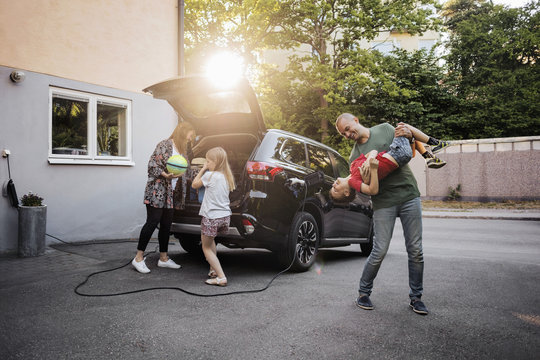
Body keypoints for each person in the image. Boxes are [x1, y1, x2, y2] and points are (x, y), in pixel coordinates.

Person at [335, 113, 431, 315]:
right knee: (379, 250)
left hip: (408, 195)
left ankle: (416, 297)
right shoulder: (354, 157)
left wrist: (408, 134)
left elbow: (405, 150)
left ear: (356, 120)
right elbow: (369, 186)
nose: (347, 134)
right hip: (383, 202)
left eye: (348, 128)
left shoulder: (385, 129)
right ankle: (363, 292)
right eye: (343, 134)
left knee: (415, 250)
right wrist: (372, 167)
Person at [132, 122, 196, 274]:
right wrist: (165, 175)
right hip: (157, 192)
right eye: (190, 135)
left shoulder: (182, 151)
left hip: (170, 194)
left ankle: (164, 258)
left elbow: (185, 171)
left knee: (166, 225)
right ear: (182, 133)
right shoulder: (165, 145)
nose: (190, 139)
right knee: (152, 222)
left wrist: (206, 172)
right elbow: (152, 164)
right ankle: (138, 258)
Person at [330, 123, 449, 201]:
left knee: (407, 134)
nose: (333, 184)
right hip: (398, 155)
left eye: (332, 186)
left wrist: (371, 157)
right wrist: (374, 170)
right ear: (346, 193)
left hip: (395, 152)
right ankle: (434, 144)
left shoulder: (352, 166)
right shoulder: (354, 182)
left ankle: (428, 155)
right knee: (403, 126)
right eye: (335, 189)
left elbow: (373, 151)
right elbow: (373, 190)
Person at [191, 147, 236, 286]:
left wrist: (203, 169)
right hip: (224, 216)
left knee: (205, 247)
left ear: (216, 162)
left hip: (211, 217)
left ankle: (221, 277)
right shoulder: (227, 177)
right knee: (211, 243)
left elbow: (194, 184)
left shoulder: (209, 175)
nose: (207, 163)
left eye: (209, 161)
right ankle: (213, 270)